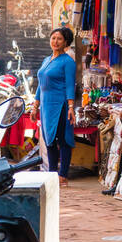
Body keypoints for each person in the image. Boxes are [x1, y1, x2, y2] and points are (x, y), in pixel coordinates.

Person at [32, 27, 77, 188]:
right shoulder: (47, 60)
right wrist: (35, 105)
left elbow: (70, 85)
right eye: (53, 38)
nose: (55, 41)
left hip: (61, 106)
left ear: (65, 42)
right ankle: (52, 174)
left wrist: (71, 107)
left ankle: (63, 175)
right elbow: (40, 84)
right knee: (49, 140)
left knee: (63, 140)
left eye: (59, 39)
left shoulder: (67, 61)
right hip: (46, 107)